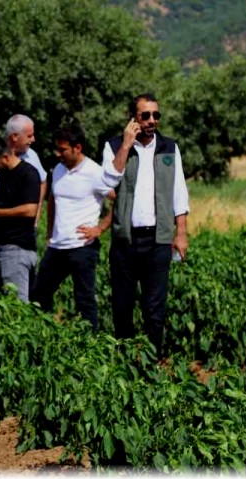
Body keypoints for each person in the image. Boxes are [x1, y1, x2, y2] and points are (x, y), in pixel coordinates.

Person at [101, 93, 189, 356]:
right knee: (122, 306)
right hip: (125, 241)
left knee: (155, 309)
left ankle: (152, 364)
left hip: (158, 239)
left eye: (156, 115)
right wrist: (126, 145)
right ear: (133, 119)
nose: (152, 121)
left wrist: (181, 232)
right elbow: (108, 180)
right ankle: (125, 365)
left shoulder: (169, 148)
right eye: (146, 115)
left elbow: (178, 192)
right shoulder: (114, 145)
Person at [30, 125, 117, 330]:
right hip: (58, 247)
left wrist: (100, 229)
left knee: (84, 300)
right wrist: (50, 233)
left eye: (62, 149)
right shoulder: (58, 169)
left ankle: (91, 349)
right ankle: (40, 336)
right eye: (56, 149)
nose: (57, 153)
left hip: (82, 247)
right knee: (38, 295)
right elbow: (52, 199)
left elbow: (120, 200)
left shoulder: (95, 172)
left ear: (77, 148)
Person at [0, 138, 42, 301]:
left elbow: (30, 210)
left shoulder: (28, 174)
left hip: (15, 249)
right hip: (0, 247)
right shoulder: (5, 175)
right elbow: (5, 207)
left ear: (5, 157)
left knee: (15, 307)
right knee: (0, 305)